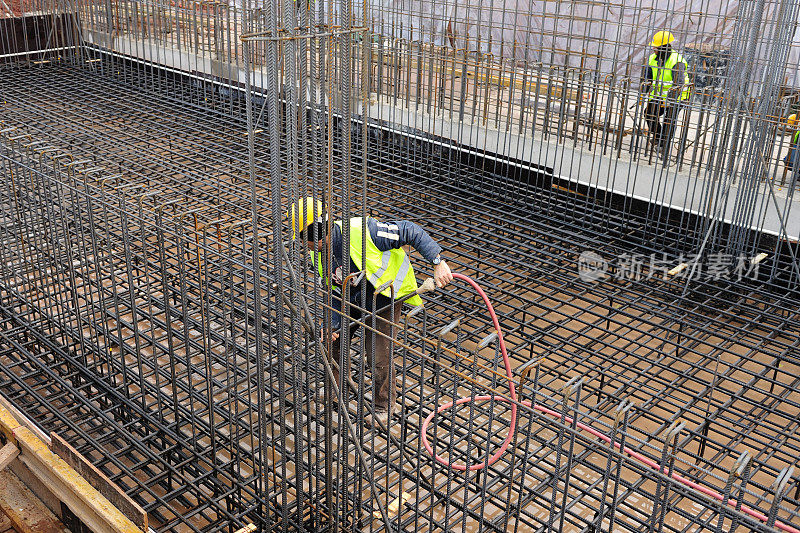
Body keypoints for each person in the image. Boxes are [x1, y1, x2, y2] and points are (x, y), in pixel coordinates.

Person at [287, 197, 453, 427]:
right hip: (351, 297)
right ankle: (335, 389)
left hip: (384, 297)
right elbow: (332, 288)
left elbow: (410, 230)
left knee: (378, 354)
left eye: (304, 240)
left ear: (314, 233)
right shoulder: (318, 252)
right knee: (333, 342)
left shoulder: (364, 232)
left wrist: (437, 261)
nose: (304, 246)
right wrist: (333, 323)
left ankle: (383, 406)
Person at [640, 31, 691, 156]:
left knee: (669, 118)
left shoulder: (677, 61)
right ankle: (658, 138)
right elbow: (648, 78)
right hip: (659, 96)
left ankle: (665, 143)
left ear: (663, 48)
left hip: (678, 96)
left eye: (656, 47)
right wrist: (643, 93)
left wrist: (668, 101)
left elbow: (678, 85)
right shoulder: (652, 59)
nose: (653, 49)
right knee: (649, 113)